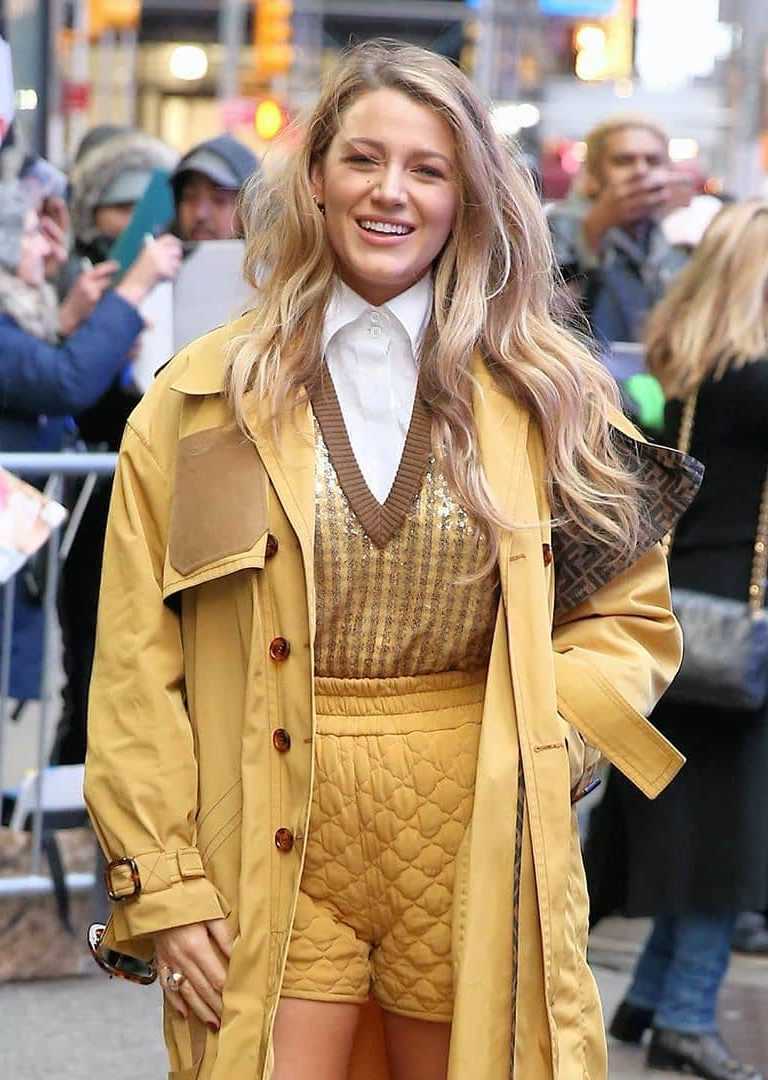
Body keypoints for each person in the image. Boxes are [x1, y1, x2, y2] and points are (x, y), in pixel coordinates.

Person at [84, 40, 696, 1080]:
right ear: (316, 178)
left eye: (428, 168)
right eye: (363, 159)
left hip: (479, 836)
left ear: (469, 196)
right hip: (267, 828)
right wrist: (164, 883)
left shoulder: (552, 392)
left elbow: (629, 617)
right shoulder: (201, 399)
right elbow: (136, 666)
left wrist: (549, 745)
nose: (390, 192)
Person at [587, 201, 768, 1080]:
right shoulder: (760, 378)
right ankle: (689, 1015)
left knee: (686, 817)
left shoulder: (684, 366)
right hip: (740, 626)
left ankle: (650, 997)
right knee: (731, 836)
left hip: (669, 611)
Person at [0, 180, 181, 704]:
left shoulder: (23, 313)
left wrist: (74, 319)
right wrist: (133, 287)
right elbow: (63, 381)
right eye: (31, 232)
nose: (48, 246)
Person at [50, 129, 181, 765]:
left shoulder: (183, 271)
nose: (133, 223)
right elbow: (63, 382)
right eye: (117, 207)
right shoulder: (72, 278)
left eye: (142, 206)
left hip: (169, 503)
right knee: (90, 658)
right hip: (94, 507)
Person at [548, 114, 688, 346]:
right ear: (594, 173)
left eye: (653, 161)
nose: (640, 171)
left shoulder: (670, 236)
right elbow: (545, 315)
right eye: (623, 161)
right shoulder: (560, 224)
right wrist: (592, 234)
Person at [170, 134, 259, 241]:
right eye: (190, 198)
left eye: (219, 200)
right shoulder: (159, 248)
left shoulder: (272, 252)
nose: (200, 214)